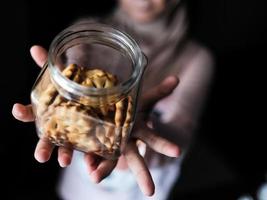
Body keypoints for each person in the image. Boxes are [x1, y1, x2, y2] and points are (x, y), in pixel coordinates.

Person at [12, 0, 214, 199]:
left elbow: (180, 137)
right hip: (78, 189)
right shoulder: (87, 30)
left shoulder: (197, 59)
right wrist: (66, 79)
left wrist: (139, 133)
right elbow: (73, 61)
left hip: (139, 192)